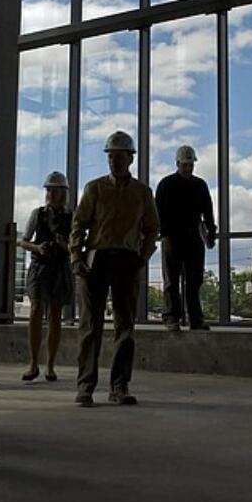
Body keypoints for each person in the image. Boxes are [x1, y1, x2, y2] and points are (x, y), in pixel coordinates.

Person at [70, 131, 159, 407]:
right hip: (96, 261)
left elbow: (152, 227)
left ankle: (119, 386)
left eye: (119, 157)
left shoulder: (142, 192)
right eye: (111, 156)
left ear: (130, 158)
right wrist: (76, 257)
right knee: (90, 326)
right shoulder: (94, 188)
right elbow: (78, 224)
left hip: (126, 261)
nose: (114, 162)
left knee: (125, 327)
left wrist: (142, 257)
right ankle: (85, 386)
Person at [155, 145, 218, 331]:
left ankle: (195, 319)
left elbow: (208, 211)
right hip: (172, 237)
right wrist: (165, 237)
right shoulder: (166, 184)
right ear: (178, 164)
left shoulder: (199, 185)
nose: (188, 169)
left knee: (194, 281)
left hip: (193, 237)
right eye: (185, 165)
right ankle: (172, 317)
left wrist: (211, 233)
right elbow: (159, 213)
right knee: (171, 281)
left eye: (190, 165)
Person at [17, 172, 73, 382]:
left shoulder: (70, 216)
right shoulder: (37, 214)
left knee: (55, 315)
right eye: (48, 190)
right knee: (36, 312)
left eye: (54, 190)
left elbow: (75, 248)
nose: (50, 193)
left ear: (63, 193)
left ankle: (49, 364)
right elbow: (23, 241)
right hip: (40, 266)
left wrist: (62, 245)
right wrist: (38, 248)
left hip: (59, 267)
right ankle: (33, 363)